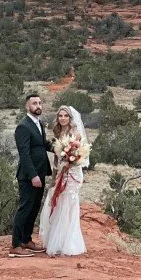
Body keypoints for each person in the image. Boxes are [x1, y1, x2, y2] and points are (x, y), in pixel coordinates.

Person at [39, 105, 89, 256]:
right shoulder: (57, 132)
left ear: (70, 118)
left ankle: (69, 242)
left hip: (73, 173)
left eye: (65, 116)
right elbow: (56, 156)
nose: (62, 118)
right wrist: (54, 175)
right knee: (58, 201)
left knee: (69, 203)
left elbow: (80, 154)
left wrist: (70, 163)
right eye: (60, 116)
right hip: (61, 170)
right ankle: (57, 240)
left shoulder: (76, 134)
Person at [10, 93, 52, 257]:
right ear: (27, 106)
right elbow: (24, 154)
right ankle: (15, 245)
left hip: (40, 174)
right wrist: (33, 175)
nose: (38, 106)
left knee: (34, 208)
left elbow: (43, 145)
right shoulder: (23, 126)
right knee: (25, 209)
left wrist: (64, 148)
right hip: (29, 176)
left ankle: (26, 240)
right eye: (34, 103)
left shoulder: (38, 123)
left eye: (40, 103)